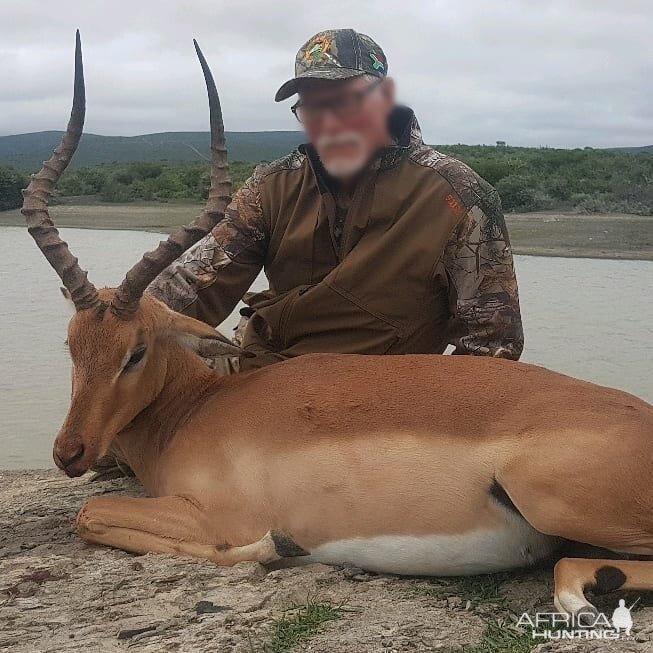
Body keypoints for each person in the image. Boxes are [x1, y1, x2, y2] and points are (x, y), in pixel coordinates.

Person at [148, 28, 524, 373]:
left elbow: (492, 349)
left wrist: (415, 422)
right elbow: (197, 281)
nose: (327, 123)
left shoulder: (458, 198)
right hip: (263, 375)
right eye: (311, 108)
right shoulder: (272, 185)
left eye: (343, 103)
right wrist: (122, 312)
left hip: (381, 403)